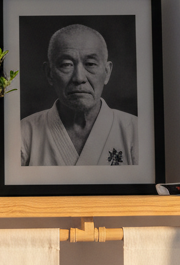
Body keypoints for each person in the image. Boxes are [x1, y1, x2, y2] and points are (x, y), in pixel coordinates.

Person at [20, 24, 138, 166]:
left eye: (90, 64)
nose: (79, 78)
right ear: (49, 73)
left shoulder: (136, 130)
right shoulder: (24, 133)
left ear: (107, 72)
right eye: (66, 64)